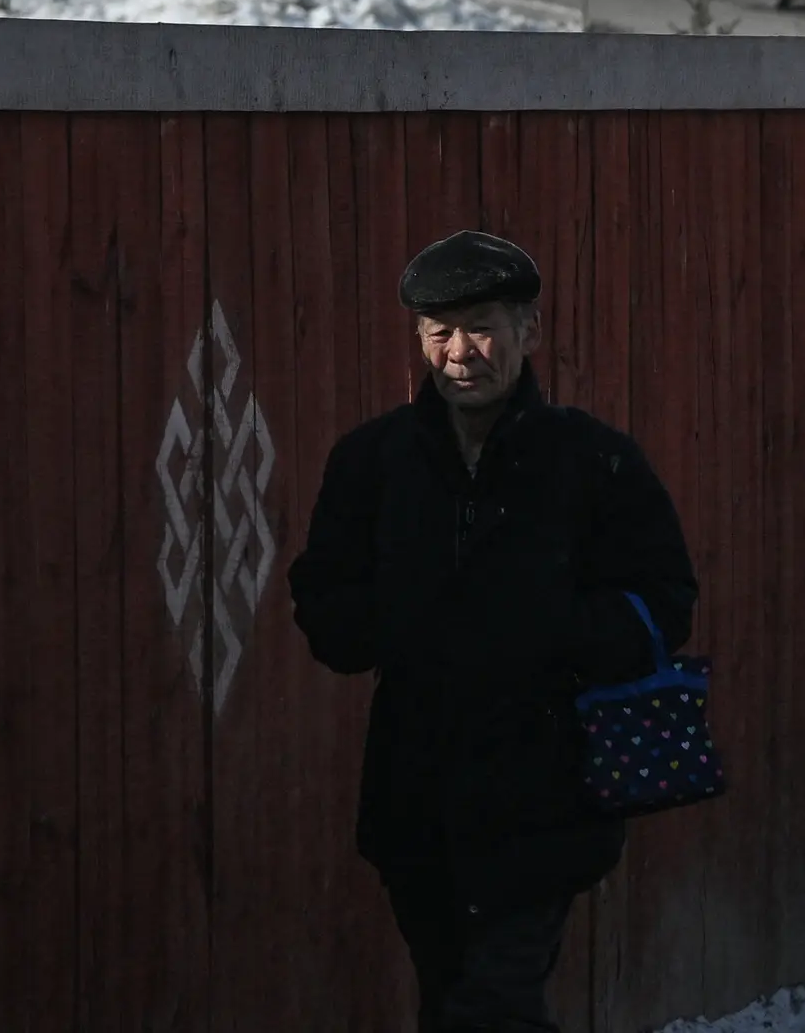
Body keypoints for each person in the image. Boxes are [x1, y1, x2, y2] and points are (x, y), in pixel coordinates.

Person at [289, 231, 699, 1033]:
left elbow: (664, 602)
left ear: (529, 331)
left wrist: (547, 632)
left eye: (482, 326)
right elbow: (324, 603)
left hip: (546, 787)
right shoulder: (372, 463)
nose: (460, 352)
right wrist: (394, 621)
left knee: (493, 1006)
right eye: (439, 331)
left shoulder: (594, 463)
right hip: (416, 794)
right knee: (449, 1001)